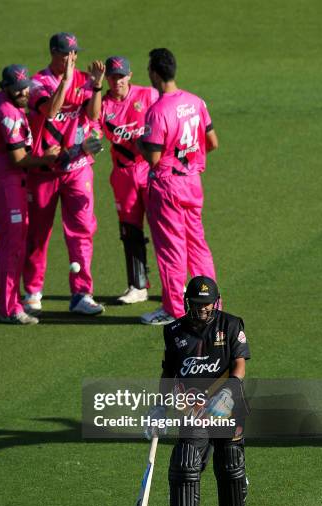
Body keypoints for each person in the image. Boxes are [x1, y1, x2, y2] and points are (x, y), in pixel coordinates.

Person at [146, 276, 250, 506]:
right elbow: (169, 373)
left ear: (215, 303)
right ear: (187, 303)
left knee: (229, 464)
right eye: (197, 304)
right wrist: (159, 407)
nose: (202, 309)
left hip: (227, 407)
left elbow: (239, 364)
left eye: (207, 304)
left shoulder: (230, 324)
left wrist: (228, 392)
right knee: (185, 464)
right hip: (193, 408)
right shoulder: (174, 331)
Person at [22, 32, 105, 316]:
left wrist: (95, 88)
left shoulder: (83, 79)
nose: (73, 58)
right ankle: (33, 292)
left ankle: (82, 294)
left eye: (74, 54)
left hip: (77, 167)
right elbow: (50, 110)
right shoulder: (37, 83)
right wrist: (67, 80)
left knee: (82, 230)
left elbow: (93, 117)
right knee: (38, 233)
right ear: (54, 54)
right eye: (67, 54)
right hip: (44, 170)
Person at [138, 48, 219, 325]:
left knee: (171, 249)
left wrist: (139, 141)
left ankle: (175, 310)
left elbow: (153, 157)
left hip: (167, 185)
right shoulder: (196, 102)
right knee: (197, 246)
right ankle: (211, 304)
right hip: (192, 182)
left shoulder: (158, 110)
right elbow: (213, 142)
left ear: (155, 74)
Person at [0, 64, 60, 325]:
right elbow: (19, 159)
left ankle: (13, 302)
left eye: (25, 87)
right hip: (7, 185)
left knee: (13, 244)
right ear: (5, 88)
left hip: (0, 180)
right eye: (17, 90)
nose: (24, 93)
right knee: (12, 247)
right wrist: (47, 158)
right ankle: (9, 309)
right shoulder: (8, 114)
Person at [99, 56, 158, 304]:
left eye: (121, 76)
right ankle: (138, 286)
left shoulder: (149, 95)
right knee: (130, 230)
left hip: (150, 169)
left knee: (166, 227)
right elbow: (93, 128)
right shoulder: (102, 106)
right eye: (113, 77)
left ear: (130, 75)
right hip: (123, 175)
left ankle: (180, 284)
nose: (117, 81)